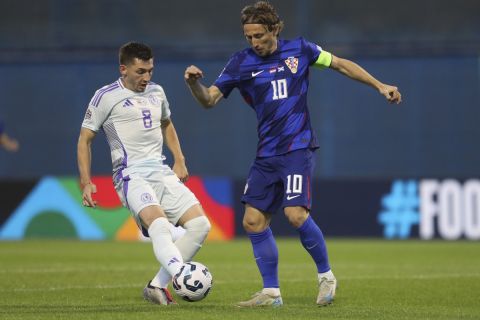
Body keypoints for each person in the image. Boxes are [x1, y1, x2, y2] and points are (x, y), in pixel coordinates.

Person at [184, 1, 402, 307]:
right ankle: (271, 293)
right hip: (266, 153)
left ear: (274, 29)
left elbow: (340, 63)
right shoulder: (240, 63)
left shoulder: (301, 49)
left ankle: (326, 276)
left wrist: (380, 86)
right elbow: (209, 100)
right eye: (248, 37)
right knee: (252, 221)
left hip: (297, 147)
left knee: (295, 214)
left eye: (259, 35)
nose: (254, 43)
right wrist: (195, 84)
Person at [77, 42, 211, 305]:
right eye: (140, 71)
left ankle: (156, 286)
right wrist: (86, 182)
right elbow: (85, 140)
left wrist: (179, 159)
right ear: (123, 69)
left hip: (161, 171)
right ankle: (182, 276)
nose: (146, 77)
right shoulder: (105, 96)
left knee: (200, 226)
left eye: (150, 70)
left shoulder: (157, 92)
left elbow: (167, 123)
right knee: (159, 225)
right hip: (131, 175)